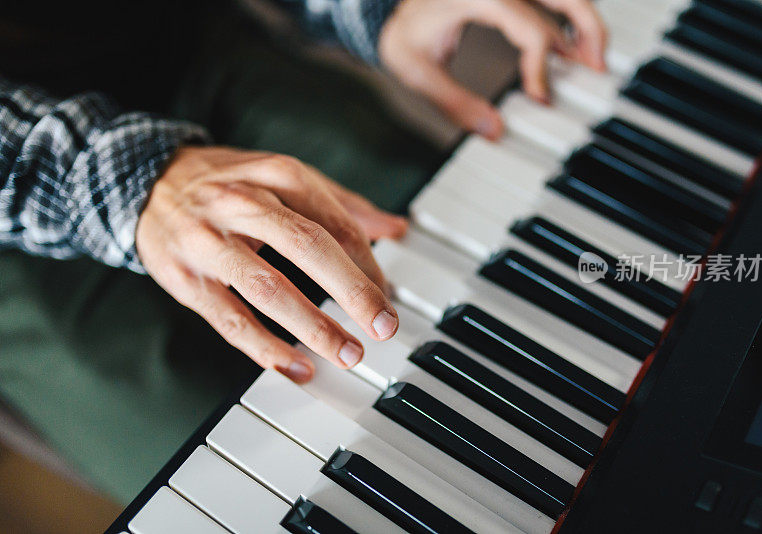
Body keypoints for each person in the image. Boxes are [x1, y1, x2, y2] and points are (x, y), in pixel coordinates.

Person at [0, 0, 606, 503]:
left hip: (170, 43)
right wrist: (131, 183)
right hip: (18, 203)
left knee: (427, 228)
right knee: (207, 464)